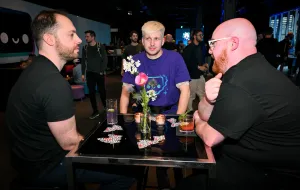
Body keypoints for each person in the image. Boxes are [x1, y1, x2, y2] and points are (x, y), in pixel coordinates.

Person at [5, 10, 135, 189]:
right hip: (45, 167)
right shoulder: (53, 83)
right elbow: (71, 144)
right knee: (127, 174)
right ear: (50, 39)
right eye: (71, 34)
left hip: (25, 161)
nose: (80, 39)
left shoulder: (35, 70)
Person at [176, 18, 300, 190]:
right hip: (254, 162)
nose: (210, 51)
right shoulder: (251, 67)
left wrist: (197, 121)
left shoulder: (242, 81)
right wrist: (207, 99)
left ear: (233, 43)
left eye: (213, 44)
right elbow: (207, 114)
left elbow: (210, 138)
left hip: (272, 176)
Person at [120, 20, 190, 190]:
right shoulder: (134, 61)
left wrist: (177, 119)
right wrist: (123, 119)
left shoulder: (175, 58)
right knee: (139, 157)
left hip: (169, 116)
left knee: (169, 161)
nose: (152, 43)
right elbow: (125, 92)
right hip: (142, 118)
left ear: (163, 40)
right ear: (142, 40)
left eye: (156, 39)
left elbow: (185, 90)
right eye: (148, 39)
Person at [81, 30, 108, 119]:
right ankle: (95, 111)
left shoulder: (100, 46)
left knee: (102, 92)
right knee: (91, 93)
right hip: (89, 73)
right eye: (85, 36)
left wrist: (102, 70)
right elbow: (83, 62)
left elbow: (105, 59)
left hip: (99, 73)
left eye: (87, 36)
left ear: (93, 37)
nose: (86, 38)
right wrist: (83, 74)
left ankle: (106, 107)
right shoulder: (85, 48)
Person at [182, 29, 208, 112]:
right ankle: (189, 112)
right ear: (194, 36)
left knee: (202, 94)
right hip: (192, 76)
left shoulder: (200, 47)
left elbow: (199, 60)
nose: (202, 36)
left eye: (202, 35)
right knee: (191, 96)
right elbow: (186, 63)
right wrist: (199, 67)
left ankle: (203, 111)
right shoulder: (188, 48)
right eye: (200, 35)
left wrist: (204, 64)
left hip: (200, 75)